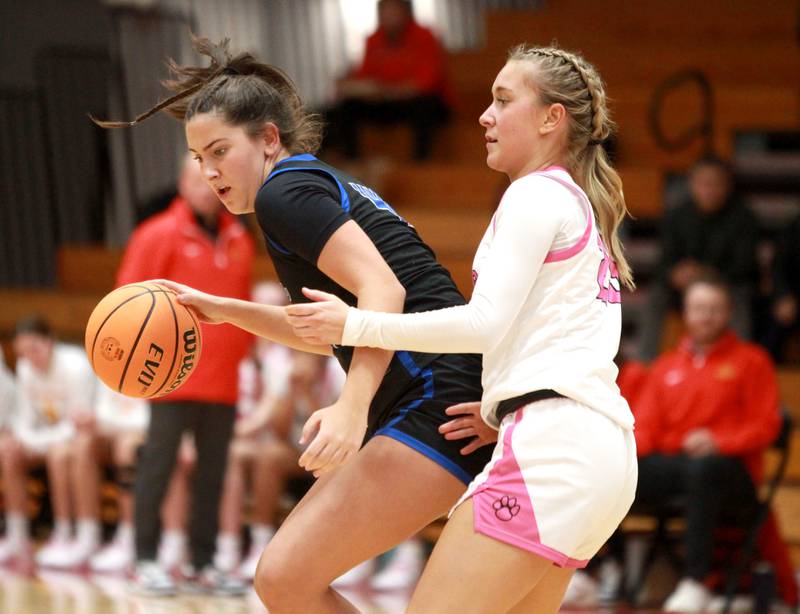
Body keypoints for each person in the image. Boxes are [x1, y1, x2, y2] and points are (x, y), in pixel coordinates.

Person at [94, 35, 492, 613]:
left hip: (435, 401)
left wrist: (351, 408)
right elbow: (330, 323)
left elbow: (384, 290)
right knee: (286, 578)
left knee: (284, 579)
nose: (208, 171)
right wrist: (225, 310)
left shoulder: (284, 194)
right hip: (443, 391)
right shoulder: (304, 184)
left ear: (268, 138)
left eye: (220, 151)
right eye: (199, 158)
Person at [287, 45, 639, 613]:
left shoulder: (536, 193)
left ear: (553, 119)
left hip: (555, 451)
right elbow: (555, 335)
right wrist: (499, 405)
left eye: (503, 100)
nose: (485, 115)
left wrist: (357, 323)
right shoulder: (573, 202)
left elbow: (483, 323)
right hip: (597, 453)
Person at [114, 154, 255, 595]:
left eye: (214, 179)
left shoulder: (240, 239)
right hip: (170, 378)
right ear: (181, 183)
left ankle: (203, 562)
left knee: (213, 474)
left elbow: (244, 307)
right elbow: (127, 302)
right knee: (157, 467)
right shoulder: (155, 234)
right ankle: (144, 558)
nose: (207, 186)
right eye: (198, 178)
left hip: (224, 380)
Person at [629, 275, 782, 612]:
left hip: (732, 471)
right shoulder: (666, 365)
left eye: (715, 309)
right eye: (699, 308)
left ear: (728, 313)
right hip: (677, 462)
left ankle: (695, 582)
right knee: (618, 469)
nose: (706, 316)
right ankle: (593, 570)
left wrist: (719, 441)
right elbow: (645, 430)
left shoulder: (752, 361)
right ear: (685, 313)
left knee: (704, 469)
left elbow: (767, 426)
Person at [638, 155, 758, 361]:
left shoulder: (744, 217)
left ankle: (741, 364)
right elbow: (663, 262)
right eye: (703, 183)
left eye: (716, 184)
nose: (709, 190)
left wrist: (707, 275)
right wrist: (674, 273)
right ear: (692, 184)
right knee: (656, 294)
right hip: (684, 287)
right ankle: (645, 362)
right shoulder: (677, 215)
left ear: (728, 186)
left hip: (726, 285)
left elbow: (746, 266)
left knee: (741, 297)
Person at [0, 316, 98, 567]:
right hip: (44, 440)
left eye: (34, 349)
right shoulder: (24, 368)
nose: (30, 357)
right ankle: (16, 535)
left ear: (50, 342)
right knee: (8, 451)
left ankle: (67, 532)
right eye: (22, 352)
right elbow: (23, 420)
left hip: (76, 438)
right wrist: (28, 441)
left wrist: (36, 441)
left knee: (59, 453)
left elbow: (75, 424)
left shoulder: (76, 365)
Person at [213, 281, 294, 579]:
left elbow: (274, 403)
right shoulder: (239, 347)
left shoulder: (291, 352)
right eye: (259, 303)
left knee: (263, 455)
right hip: (244, 436)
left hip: (280, 436)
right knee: (230, 454)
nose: (266, 311)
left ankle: (260, 543)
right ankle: (228, 544)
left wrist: (241, 429)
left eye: (274, 304)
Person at [326, 0, 454, 160]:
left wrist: (391, 90)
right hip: (387, 102)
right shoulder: (373, 39)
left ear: (406, 13)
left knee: (423, 107)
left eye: (393, 11)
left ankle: (420, 165)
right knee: (344, 108)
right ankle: (352, 162)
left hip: (419, 102)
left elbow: (428, 81)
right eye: (384, 12)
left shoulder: (425, 36)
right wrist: (352, 86)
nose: (388, 17)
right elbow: (364, 77)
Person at [763, 212, 800, 362]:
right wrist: (783, 295)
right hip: (794, 297)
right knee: (772, 333)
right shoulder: (795, 227)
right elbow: (777, 266)